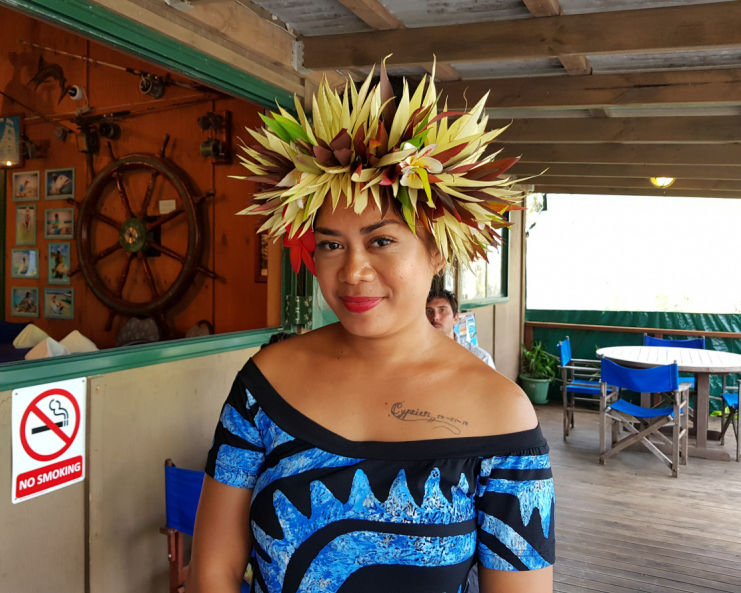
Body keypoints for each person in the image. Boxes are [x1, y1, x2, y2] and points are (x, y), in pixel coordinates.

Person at [187, 65, 554, 593]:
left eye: (381, 241)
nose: (352, 271)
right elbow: (213, 572)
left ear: (436, 250)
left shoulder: (502, 414)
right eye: (332, 244)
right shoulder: (263, 385)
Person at [426, 288, 496, 369]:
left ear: (455, 318)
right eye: (429, 311)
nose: (435, 317)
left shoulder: (480, 359)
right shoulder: (414, 356)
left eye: (442, 310)